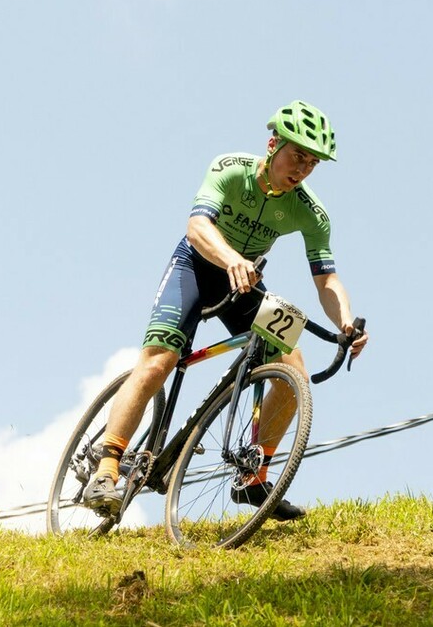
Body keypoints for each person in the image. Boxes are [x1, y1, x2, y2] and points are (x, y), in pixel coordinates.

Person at [82, 100, 368, 521]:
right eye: (297, 156)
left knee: (294, 371)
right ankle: (106, 468)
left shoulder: (311, 214)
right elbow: (197, 227)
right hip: (197, 264)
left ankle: (253, 478)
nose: (302, 169)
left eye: (312, 164)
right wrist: (231, 257)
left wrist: (345, 320)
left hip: (246, 280)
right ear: (273, 145)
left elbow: (326, 278)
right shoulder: (230, 168)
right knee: (160, 361)